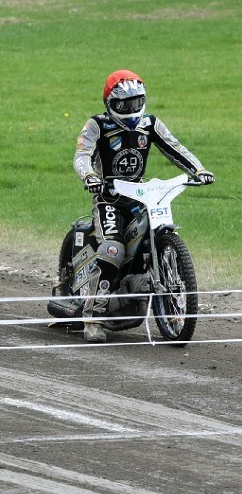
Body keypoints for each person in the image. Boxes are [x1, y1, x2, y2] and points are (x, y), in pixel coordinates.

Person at [73, 69, 214, 343]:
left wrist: (199, 169)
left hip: (140, 196)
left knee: (156, 235)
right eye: (124, 104)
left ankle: (169, 308)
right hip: (109, 198)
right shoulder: (96, 125)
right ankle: (92, 317)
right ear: (109, 103)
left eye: (136, 102)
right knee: (113, 249)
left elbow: (175, 148)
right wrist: (90, 177)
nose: (131, 109)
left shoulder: (150, 124)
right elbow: (81, 156)